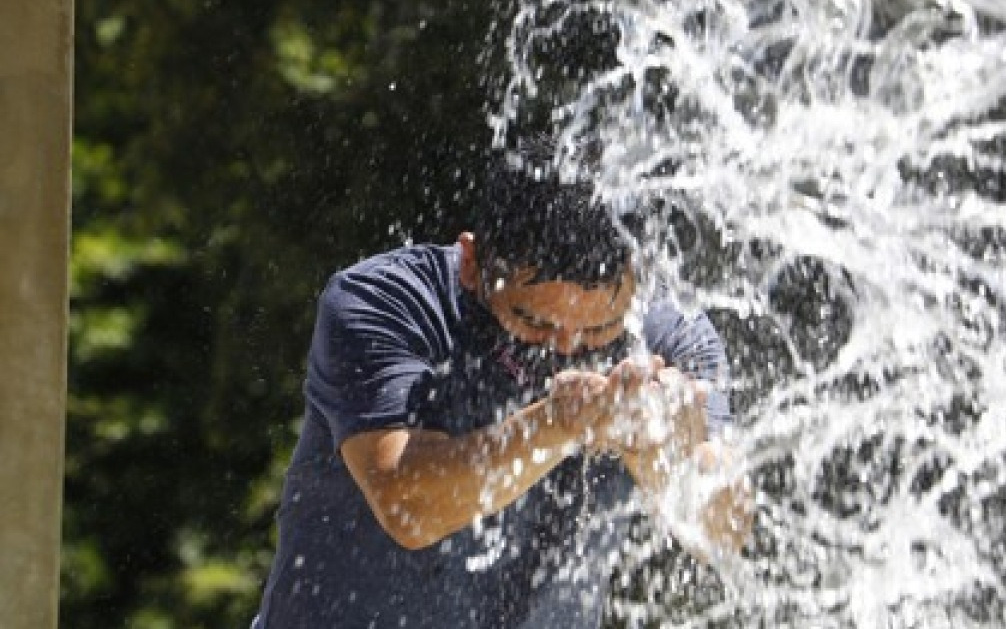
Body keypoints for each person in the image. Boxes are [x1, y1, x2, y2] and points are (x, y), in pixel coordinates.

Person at [252, 147, 751, 628]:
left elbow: (724, 534)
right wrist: (560, 423)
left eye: (599, 331)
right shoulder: (386, 302)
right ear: (471, 262)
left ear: (640, 280)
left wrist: (659, 453)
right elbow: (409, 508)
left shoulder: (672, 336)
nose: (564, 350)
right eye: (533, 322)